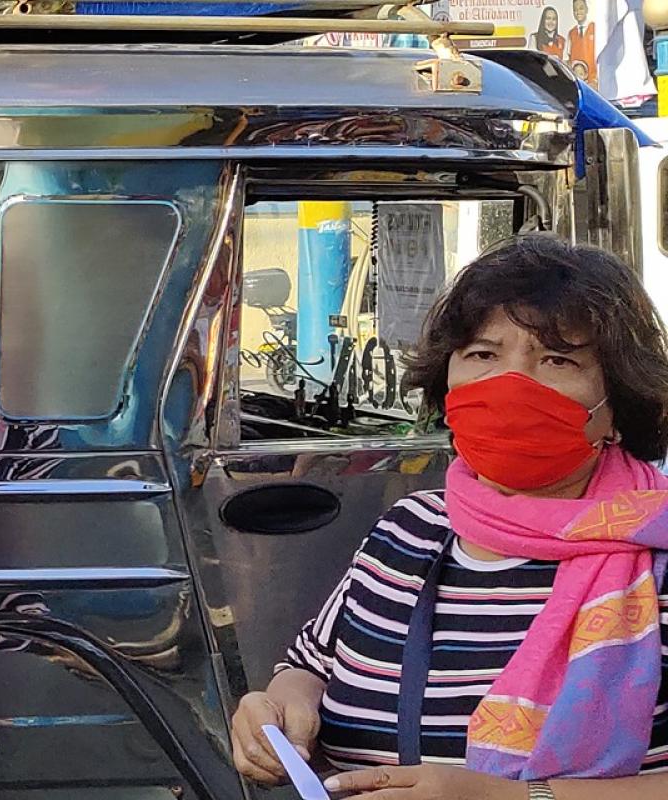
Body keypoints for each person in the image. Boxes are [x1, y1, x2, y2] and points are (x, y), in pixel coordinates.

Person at [229, 237, 668, 798]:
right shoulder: (409, 528)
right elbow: (310, 666)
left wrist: (508, 797)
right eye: (483, 354)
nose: (511, 384)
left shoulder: (653, 558)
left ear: (618, 407)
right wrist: (278, 709)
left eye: (558, 359)